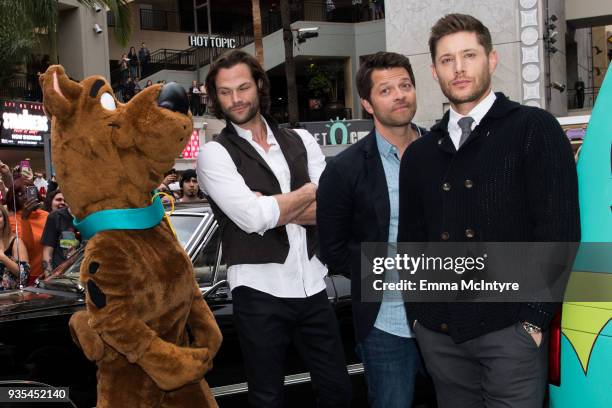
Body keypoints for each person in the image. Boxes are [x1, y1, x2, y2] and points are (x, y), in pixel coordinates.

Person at [397, 14, 580, 408]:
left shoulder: (533, 128)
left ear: (492, 60)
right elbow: (410, 244)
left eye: (469, 55)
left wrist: (533, 319)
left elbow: (559, 232)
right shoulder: (420, 153)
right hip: (441, 335)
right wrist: (418, 318)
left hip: (510, 333)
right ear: (434, 71)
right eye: (447, 60)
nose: (459, 68)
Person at [197, 50, 351, 407]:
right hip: (257, 292)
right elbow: (252, 219)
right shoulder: (214, 154)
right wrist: (311, 192)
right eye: (225, 92)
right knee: (267, 399)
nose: (236, 99)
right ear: (215, 97)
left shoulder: (301, 140)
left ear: (259, 86)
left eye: (243, 87)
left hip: (313, 284)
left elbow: (332, 210)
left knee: (338, 391)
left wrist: (272, 205)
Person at [317, 52, 425, 408]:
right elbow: (332, 249)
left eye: (405, 85)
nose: (399, 95)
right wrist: (384, 274)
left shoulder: (444, 151)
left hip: (450, 320)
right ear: (367, 103)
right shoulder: (345, 169)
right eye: (386, 89)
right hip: (387, 324)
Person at [5, 177, 48, 285]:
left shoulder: (46, 216)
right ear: (13, 198)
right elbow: (27, 247)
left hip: (50, 275)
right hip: (28, 278)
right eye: (20, 194)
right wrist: (25, 219)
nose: (25, 197)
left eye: (29, 192)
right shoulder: (11, 221)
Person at [41, 192, 80, 277]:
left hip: (85, 277)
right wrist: (49, 277)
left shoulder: (93, 216)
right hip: (61, 278)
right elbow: (47, 252)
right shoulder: (55, 216)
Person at [0, 205, 30, 290]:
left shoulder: (16, 243)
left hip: (11, 297)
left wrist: (3, 257)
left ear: (5, 219)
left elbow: (24, 275)